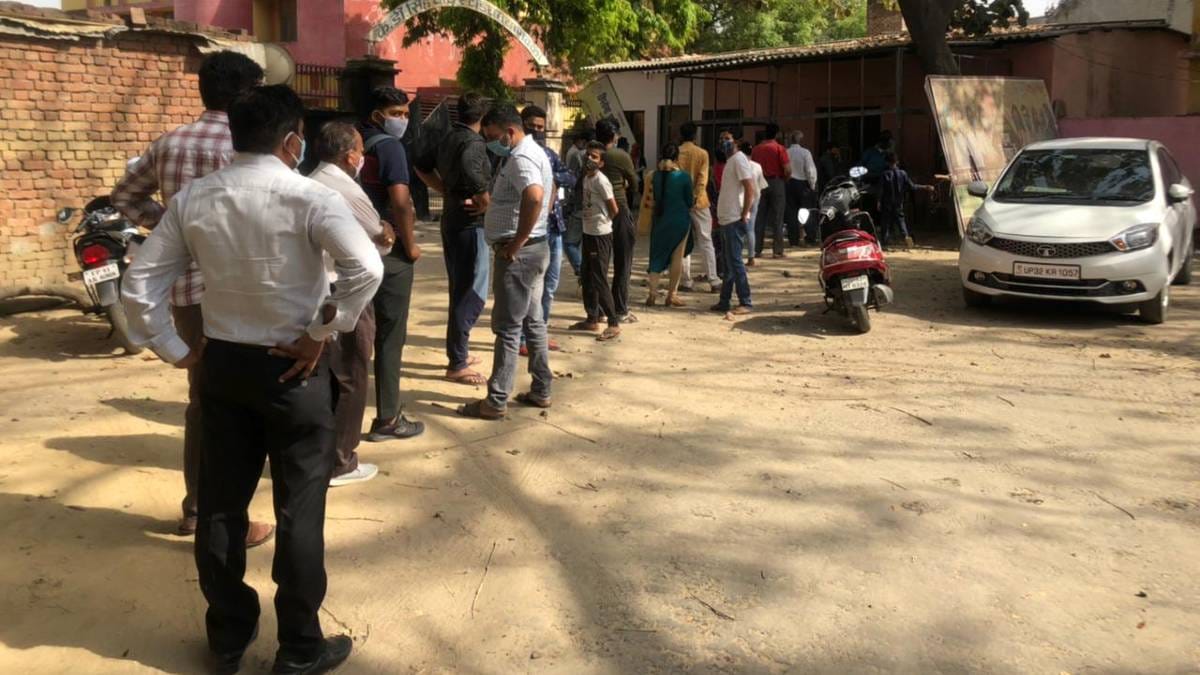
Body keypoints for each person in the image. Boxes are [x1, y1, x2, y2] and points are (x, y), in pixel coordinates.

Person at [122, 84, 383, 675]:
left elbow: (141, 283)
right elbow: (365, 267)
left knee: (219, 506)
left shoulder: (194, 199)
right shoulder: (309, 197)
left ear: (235, 133)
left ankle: (229, 637)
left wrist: (171, 346)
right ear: (293, 140)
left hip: (224, 365)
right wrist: (325, 332)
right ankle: (298, 647)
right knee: (300, 509)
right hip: (294, 367)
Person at [110, 50, 274, 547]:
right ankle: (225, 517)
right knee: (249, 400)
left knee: (203, 401)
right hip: (243, 290)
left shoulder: (168, 144)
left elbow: (123, 198)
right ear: (248, 94)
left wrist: (169, 229)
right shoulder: (252, 147)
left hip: (185, 291)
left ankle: (199, 508)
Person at [309, 121, 394, 487]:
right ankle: (342, 461)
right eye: (361, 150)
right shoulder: (346, 190)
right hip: (346, 291)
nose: (363, 157)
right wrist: (387, 232)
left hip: (314, 288)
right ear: (349, 155)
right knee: (352, 375)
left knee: (323, 376)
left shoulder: (309, 179)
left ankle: (321, 452)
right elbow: (380, 241)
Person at [457, 104, 554, 420]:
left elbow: (536, 196)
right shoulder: (537, 153)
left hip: (520, 255)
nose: (491, 142)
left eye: (494, 136)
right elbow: (546, 198)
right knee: (533, 321)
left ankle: (495, 401)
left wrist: (517, 241)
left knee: (508, 328)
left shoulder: (522, 157)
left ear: (510, 131)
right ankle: (541, 389)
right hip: (534, 250)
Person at [357, 86, 425, 442]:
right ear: (377, 115)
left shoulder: (348, 144)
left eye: (405, 113)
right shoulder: (390, 147)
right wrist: (411, 246)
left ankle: (341, 420)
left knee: (351, 334)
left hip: (348, 249)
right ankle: (387, 417)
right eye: (397, 113)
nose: (404, 119)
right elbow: (401, 203)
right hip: (389, 252)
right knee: (389, 335)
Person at [413, 92, 492, 387]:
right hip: (471, 225)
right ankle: (457, 362)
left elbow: (420, 166)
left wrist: (444, 189)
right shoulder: (473, 144)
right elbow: (478, 181)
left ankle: (459, 352)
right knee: (472, 292)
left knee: (459, 288)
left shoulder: (446, 138)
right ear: (482, 117)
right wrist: (485, 202)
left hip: (451, 220)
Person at [520, 104, 575, 354]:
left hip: (554, 227)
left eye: (540, 127)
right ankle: (522, 340)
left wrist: (550, 176)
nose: (536, 131)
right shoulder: (516, 156)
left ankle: (539, 336)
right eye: (531, 126)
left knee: (550, 286)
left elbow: (570, 177)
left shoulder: (550, 155)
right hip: (530, 231)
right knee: (528, 287)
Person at [570, 142, 622, 338]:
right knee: (587, 275)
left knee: (599, 277)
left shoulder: (602, 181)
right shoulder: (586, 178)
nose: (589, 159)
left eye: (594, 157)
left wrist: (604, 222)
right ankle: (592, 318)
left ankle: (613, 321)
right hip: (588, 231)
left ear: (601, 163)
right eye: (588, 156)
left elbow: (614, 209)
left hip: (600, 234)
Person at [595, 120, 638, 323]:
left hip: (595, 212)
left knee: (599, 263)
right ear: (614, 136)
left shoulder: (590, 153)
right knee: (623, 260)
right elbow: (634, 180)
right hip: (619, 208)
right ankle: (620, 308)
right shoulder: (620, 156)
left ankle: (598, 309)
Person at [712, 134, 757, 317]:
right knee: (729, 263)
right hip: (726, 219)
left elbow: (750, 188)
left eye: (728, 139)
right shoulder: (732, 161)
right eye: (721, 139)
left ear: (737, 142)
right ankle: (724, 301)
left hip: (733, 219)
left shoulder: (739, 160)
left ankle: (745, 301)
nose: (724, 143)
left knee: (735, 262)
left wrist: (745, 213)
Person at [644, 143, 694, 307]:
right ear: (676, 158)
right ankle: (671, 295)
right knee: (677, 258)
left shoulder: (654, 176)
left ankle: (652, 294)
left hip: (660, 221)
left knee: (656, 257)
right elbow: (689, 201)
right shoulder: (684, 177)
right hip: (679, 221)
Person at [676, 122, 719, 293]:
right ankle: (713, 280)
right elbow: (703, 179)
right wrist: (694, 197)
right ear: (695, 136)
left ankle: (686, 281)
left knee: (684, 242)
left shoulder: (677, 153)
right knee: (706, 240)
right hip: (700, 202)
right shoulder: (702, 153)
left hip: (679, 203)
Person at [750, 122, 792, 259]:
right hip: (776, 182)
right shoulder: (779, 148)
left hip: (760, 183)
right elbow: (787, 169)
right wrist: (785, 179)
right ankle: (777, 251)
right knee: (778, 217)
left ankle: (757, 250)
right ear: (777, 134)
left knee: (759, 217)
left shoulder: (756, 149)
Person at [878, 151, 934, 250]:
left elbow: (881, 190)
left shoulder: (884, 174)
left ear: (887, 162)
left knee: (885, 222)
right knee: (901, 221)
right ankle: (907, 238)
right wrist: (925, 187)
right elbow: (912, 186)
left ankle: (885, 242)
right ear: (897, 162)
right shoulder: (903, 174)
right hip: (899, 202)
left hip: (887, 202)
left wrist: (878, 201)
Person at [562, 127, 594, 280]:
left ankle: (582, 272)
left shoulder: (578, 155)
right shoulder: (600, 157)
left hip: (579, 205)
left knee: (569, 243)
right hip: (593, 206)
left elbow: (571, 181)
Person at [785, 130, 818, 246]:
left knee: (791, 213)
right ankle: (810, 237)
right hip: (803, 184)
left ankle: (793, 240)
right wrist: (812, 185)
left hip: (789, 184)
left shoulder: (786, 152)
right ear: (800, 140)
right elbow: (810, 170)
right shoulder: (805, 152)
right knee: (807, 211)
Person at [742, 141, 768, 266]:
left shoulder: (738, 165)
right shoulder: (757, 166)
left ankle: (737, 256)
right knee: (750, 229)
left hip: (742, 199)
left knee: (740, 229)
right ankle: (751, 257)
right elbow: (762, 184)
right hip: (755, 198)